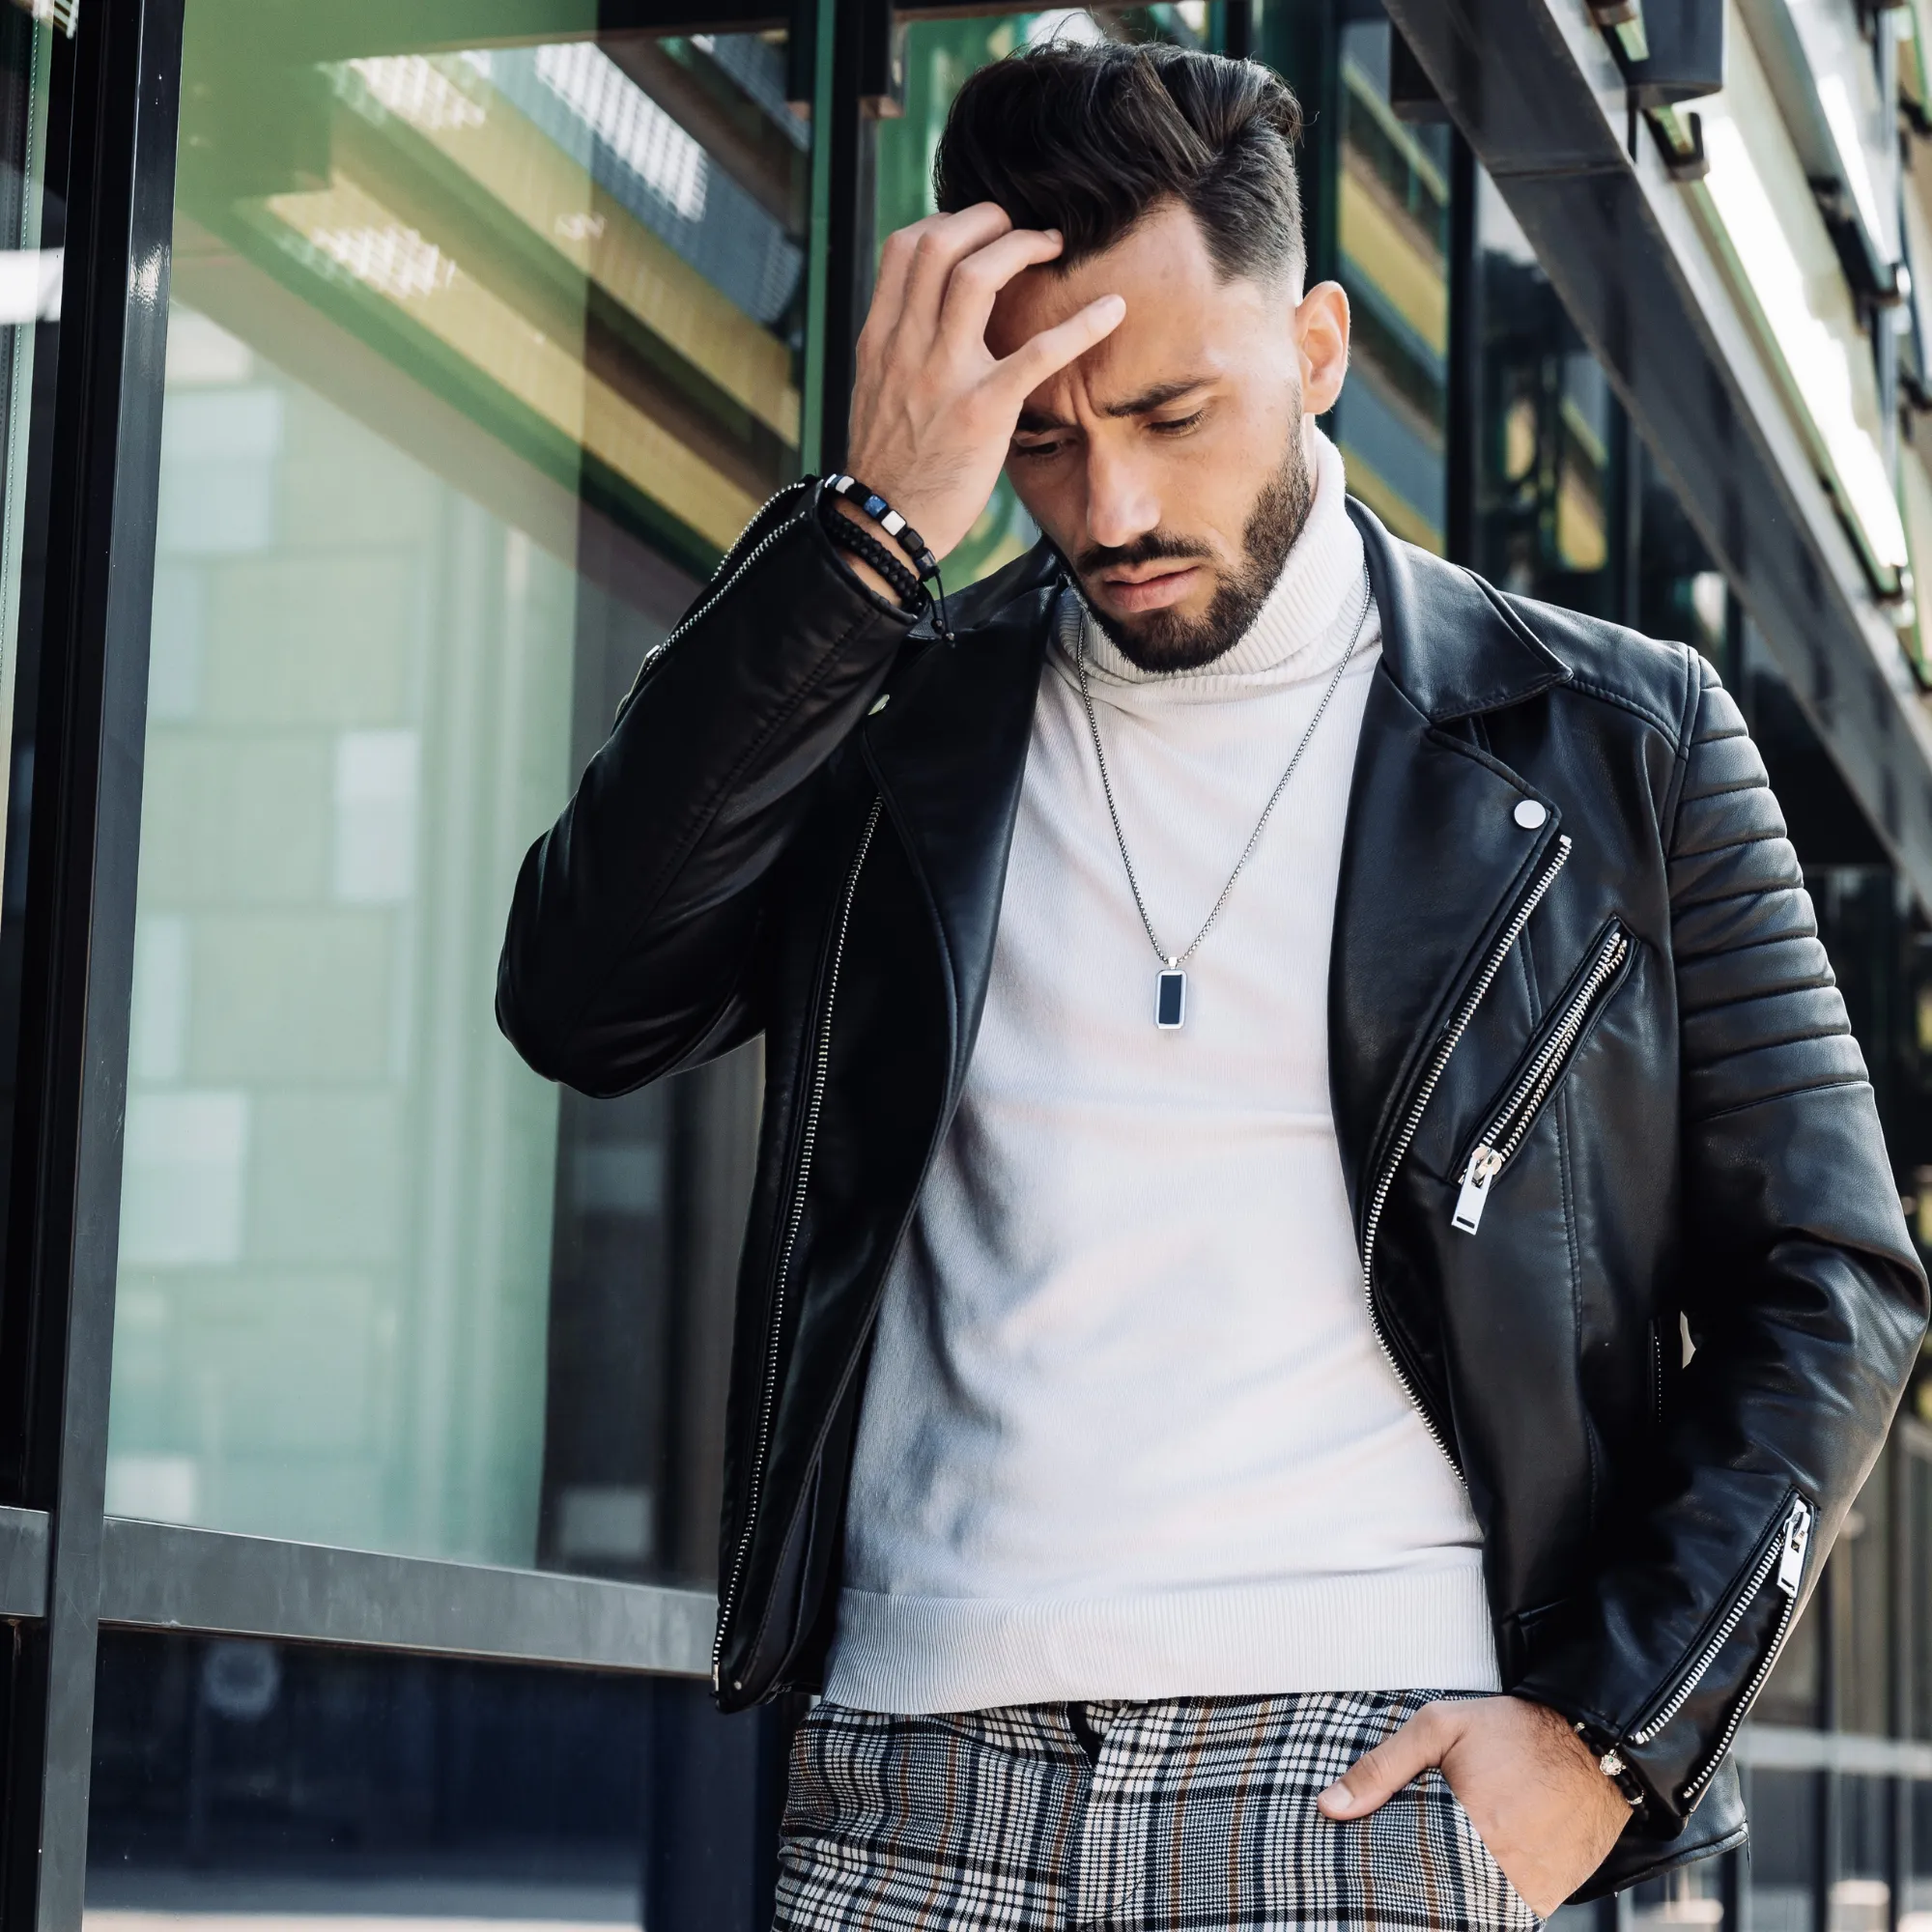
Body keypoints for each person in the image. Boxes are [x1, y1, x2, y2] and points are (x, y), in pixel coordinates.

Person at [497, 39, 1928, 1926]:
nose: (1110, 509)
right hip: (922, 1782)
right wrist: (862, 538)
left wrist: (1606, 1738)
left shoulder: (1617, 739)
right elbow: (584, 998)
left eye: (1175, 414)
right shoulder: (894, 716)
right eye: (1044, 438)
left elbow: (1831, 1278)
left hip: (1389, 1784)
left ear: (1315, 348)